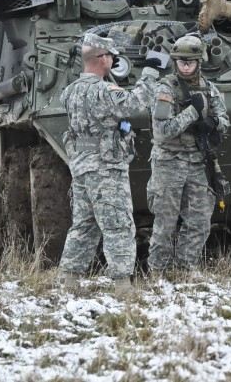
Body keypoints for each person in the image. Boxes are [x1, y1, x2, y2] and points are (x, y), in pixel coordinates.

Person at [56, 33, 159, 296]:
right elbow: (135, 104)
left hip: (82, 165)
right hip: (106, 166)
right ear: (101, 59)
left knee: (84, 224)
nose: (113, 60)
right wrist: (150, 71)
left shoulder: (70, 91)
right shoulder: (101, 90)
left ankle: (69, 279)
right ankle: (123, 285)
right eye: (110, 56)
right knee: (118, 223)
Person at [147, 36, 229, 272]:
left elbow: (225, 119)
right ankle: (157, 272)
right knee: (165, 223)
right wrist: (193, 113)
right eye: (182, 61)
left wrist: (213, 122)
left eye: (190, 62)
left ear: (199, 62)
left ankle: (186, 267)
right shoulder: (165, 89)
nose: (185, 66)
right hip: (169, 162)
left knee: (200, 221)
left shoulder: (208, 88)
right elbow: (162, 131)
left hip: (198, 161)